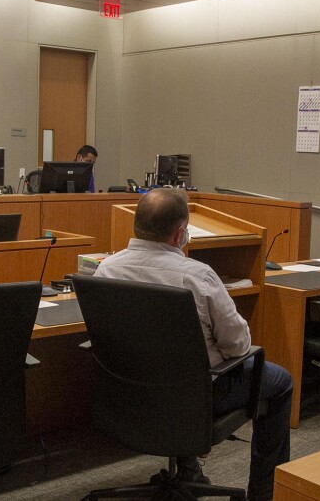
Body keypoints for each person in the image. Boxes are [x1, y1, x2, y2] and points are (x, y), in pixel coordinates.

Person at [94, 188, 292, 501]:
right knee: (280, 381)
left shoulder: (106, 269)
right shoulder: (198, 275)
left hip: (131, 396)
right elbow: (238, 346)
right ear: (180, 234)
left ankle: (189, 469)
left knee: (178, 369)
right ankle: (264, 493)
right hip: (196, 398)